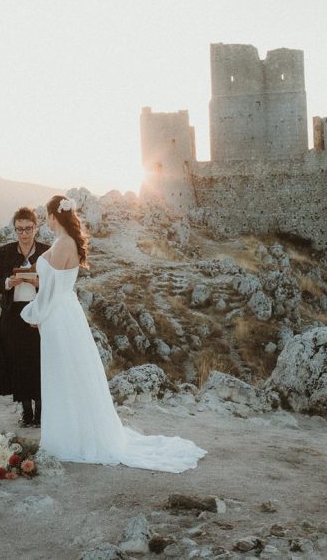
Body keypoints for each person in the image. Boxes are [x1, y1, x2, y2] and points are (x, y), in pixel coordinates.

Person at [21, 195, 206, 472]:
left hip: (57, 315)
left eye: (47, 215)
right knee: (70, 373)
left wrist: (33, 314)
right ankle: (74, 431)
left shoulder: (61, 245)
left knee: (62, 373)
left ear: (52, 216)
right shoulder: (67, 243)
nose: (46, 220)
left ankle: (70, 438)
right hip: (65, 312)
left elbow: (49, 292)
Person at [0, 207, 48, 427]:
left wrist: (39, 282)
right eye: (19, 229)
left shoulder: (46, 251)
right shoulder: (5, 252)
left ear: (36, 228)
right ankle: (26, 412)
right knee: (19, 362)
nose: (24, 233)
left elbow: (54, 284)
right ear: (14, 229)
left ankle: (41, 412)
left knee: (39, 361)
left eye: (28, 228)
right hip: (14, 314)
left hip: (39, 313)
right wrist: (7, 283)